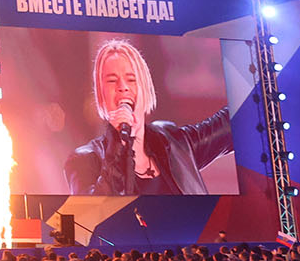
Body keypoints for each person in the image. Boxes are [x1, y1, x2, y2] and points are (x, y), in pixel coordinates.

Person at [64, 39, 232, 195]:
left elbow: (232, 124)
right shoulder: (84, 161)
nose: (123, 87)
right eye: (112, 81)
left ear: (145, 89)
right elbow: (92, 212)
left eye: (131, 79)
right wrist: (116, 147)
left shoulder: (174, 143)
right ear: (101, 95)